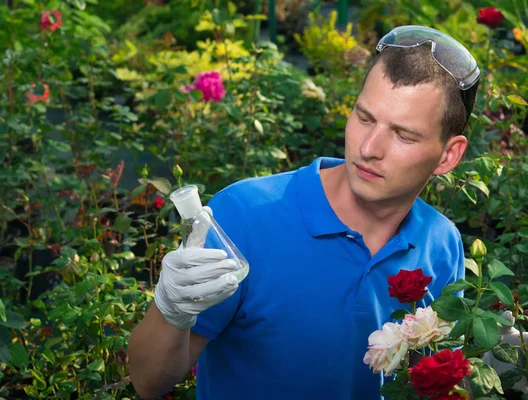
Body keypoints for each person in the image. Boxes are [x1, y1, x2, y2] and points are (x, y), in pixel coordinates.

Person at [128, 25, 480, 400]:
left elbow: (435, 380)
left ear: (448, 155)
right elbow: (150, 383)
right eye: (364, 117)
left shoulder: (441, 243)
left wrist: (493, 363)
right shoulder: (245, 216)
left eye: (403, 135)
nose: (369, 148)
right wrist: (170, 310)